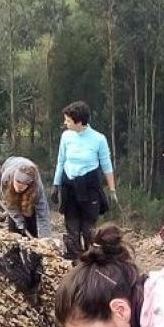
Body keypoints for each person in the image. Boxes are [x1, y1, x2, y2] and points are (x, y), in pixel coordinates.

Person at [53, 101, 116, 260]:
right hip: (69, 185)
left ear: (79, 122)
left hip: (89, 186)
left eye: (68, 120)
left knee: (88, 229)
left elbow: (106, 165)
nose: (65, 123)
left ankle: (91, 260)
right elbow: (61, 160)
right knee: (72, 228)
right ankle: (74, 261)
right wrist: (56, 184)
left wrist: (112, 189)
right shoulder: (66, 136)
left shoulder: (98, 139)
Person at [0, 156, 52, 238]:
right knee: (15, 224)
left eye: (23, 185)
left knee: (31, 217)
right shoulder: (6, 179)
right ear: (14, 178)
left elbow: (43, 215)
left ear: (29, 185)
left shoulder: (37, 188)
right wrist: (20, 222)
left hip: (30, 192)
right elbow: (10, 205)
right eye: (17, 182)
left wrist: (45, 239)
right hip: (10, 163)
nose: (19, 187)